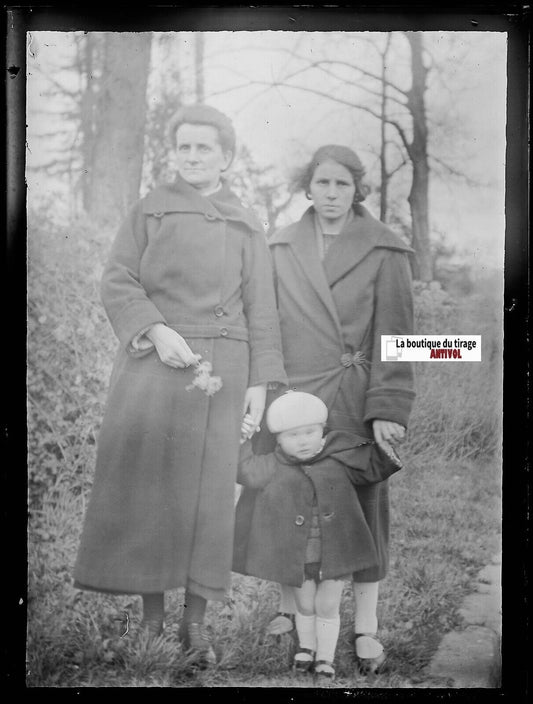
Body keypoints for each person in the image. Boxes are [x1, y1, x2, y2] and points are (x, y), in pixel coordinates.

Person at [74, 104, 287, 665]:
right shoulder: (151, 210)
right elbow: (117, 278)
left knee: (208, 495)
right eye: (184, 147)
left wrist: (261, 386)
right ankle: (151, 616)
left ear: (226, 157)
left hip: (222, 368)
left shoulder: (245, 223)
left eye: (204, 148)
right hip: (154, 364)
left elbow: (263, 309)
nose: (192, 157)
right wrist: (154, 329)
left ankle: (196, 624)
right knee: (154, 489)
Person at [234, 144, 415, 675]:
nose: (331, 193)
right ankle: (293, 614)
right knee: (286, 500)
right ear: (307, 188)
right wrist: (266, 387)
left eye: (342, 184)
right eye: (322, 183)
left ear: (357, 189)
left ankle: (365, 628)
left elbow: (400, 337)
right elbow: (264, 322)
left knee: (362, 514)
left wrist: (389, 405)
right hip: (293, 400)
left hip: (355, 401)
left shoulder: (386, 249)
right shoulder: (280, 246)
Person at [235, 391, 402, 681]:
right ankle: (306, 648)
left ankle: (325, 657)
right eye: (293, 435)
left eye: (310, 432)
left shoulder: (339, 459)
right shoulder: (274, 465)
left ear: (322, 432)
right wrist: (242, 441)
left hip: (334, 554)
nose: (303, 441)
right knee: (305, 603)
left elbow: (372, 469)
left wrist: (385, 446)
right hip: (300, 556)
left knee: (327, 605)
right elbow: (247, 472)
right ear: (278, 440)